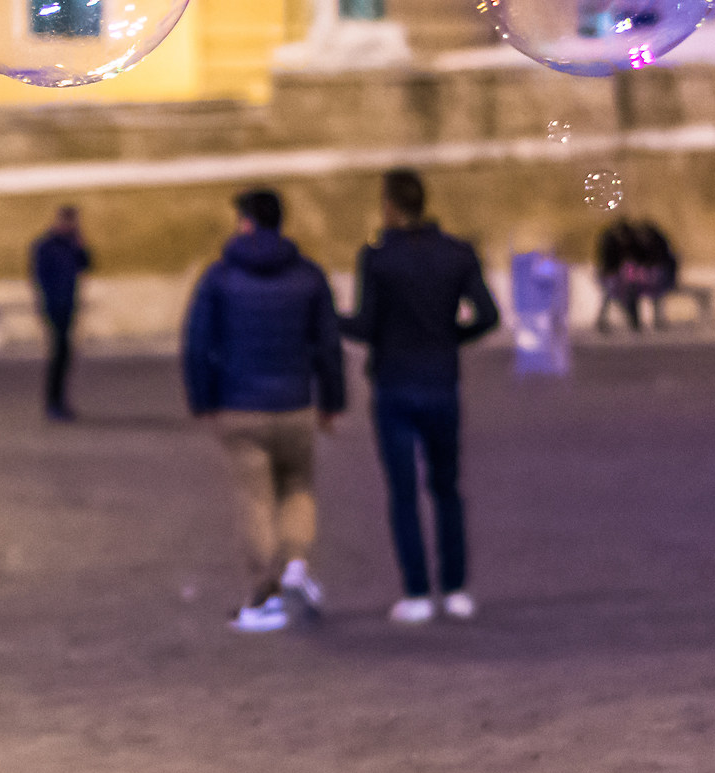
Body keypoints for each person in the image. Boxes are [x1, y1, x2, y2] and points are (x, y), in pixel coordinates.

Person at [182, 187, 346, 633]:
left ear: (246, 222)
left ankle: (264, 592)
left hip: (239, 405)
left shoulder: (218, 278)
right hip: (295, 403)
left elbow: (198, 344)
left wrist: (203, 400)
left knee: (255, 499)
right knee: (297, 488)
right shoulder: (309, 276)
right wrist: (332, 403)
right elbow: (328, 345)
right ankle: (296, 565)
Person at [342, 169, 500, 625]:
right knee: (447, 488)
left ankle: (416, 591)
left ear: (390, 206)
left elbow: (367, 325)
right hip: (440, 381)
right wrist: (452, 337)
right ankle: (456, 588)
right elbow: (488, 314)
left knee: (403, 492)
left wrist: (328, 320)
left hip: (394, 382)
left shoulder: (378, 258)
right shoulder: (457, 253)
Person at [30, 205, 92, 421]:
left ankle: (59, 401)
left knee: (65, 355)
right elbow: (39, 277)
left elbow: (87, 265)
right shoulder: (46, 246)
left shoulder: (71, 245)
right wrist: (48, 302)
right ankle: (53, 403)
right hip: (53, 307)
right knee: (58, 354)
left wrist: (81, 246)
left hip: (68, 306)